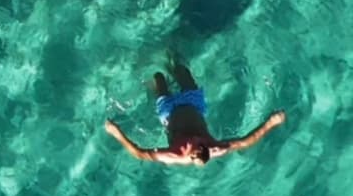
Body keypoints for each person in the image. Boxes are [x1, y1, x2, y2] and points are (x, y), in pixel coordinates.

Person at [105, 64, 285, 166]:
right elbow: (245, 142)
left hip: (169, 111)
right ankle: (171, 55)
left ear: (189, 154)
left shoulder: (174, 155)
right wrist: (271, 123)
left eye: (192, 145)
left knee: (158, 77)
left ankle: (150, 76)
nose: (194, 139)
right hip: (193, 104)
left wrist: (116, 133)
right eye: (199, 142)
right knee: (180, 69)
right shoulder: (213, 147)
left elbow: (139, 153)